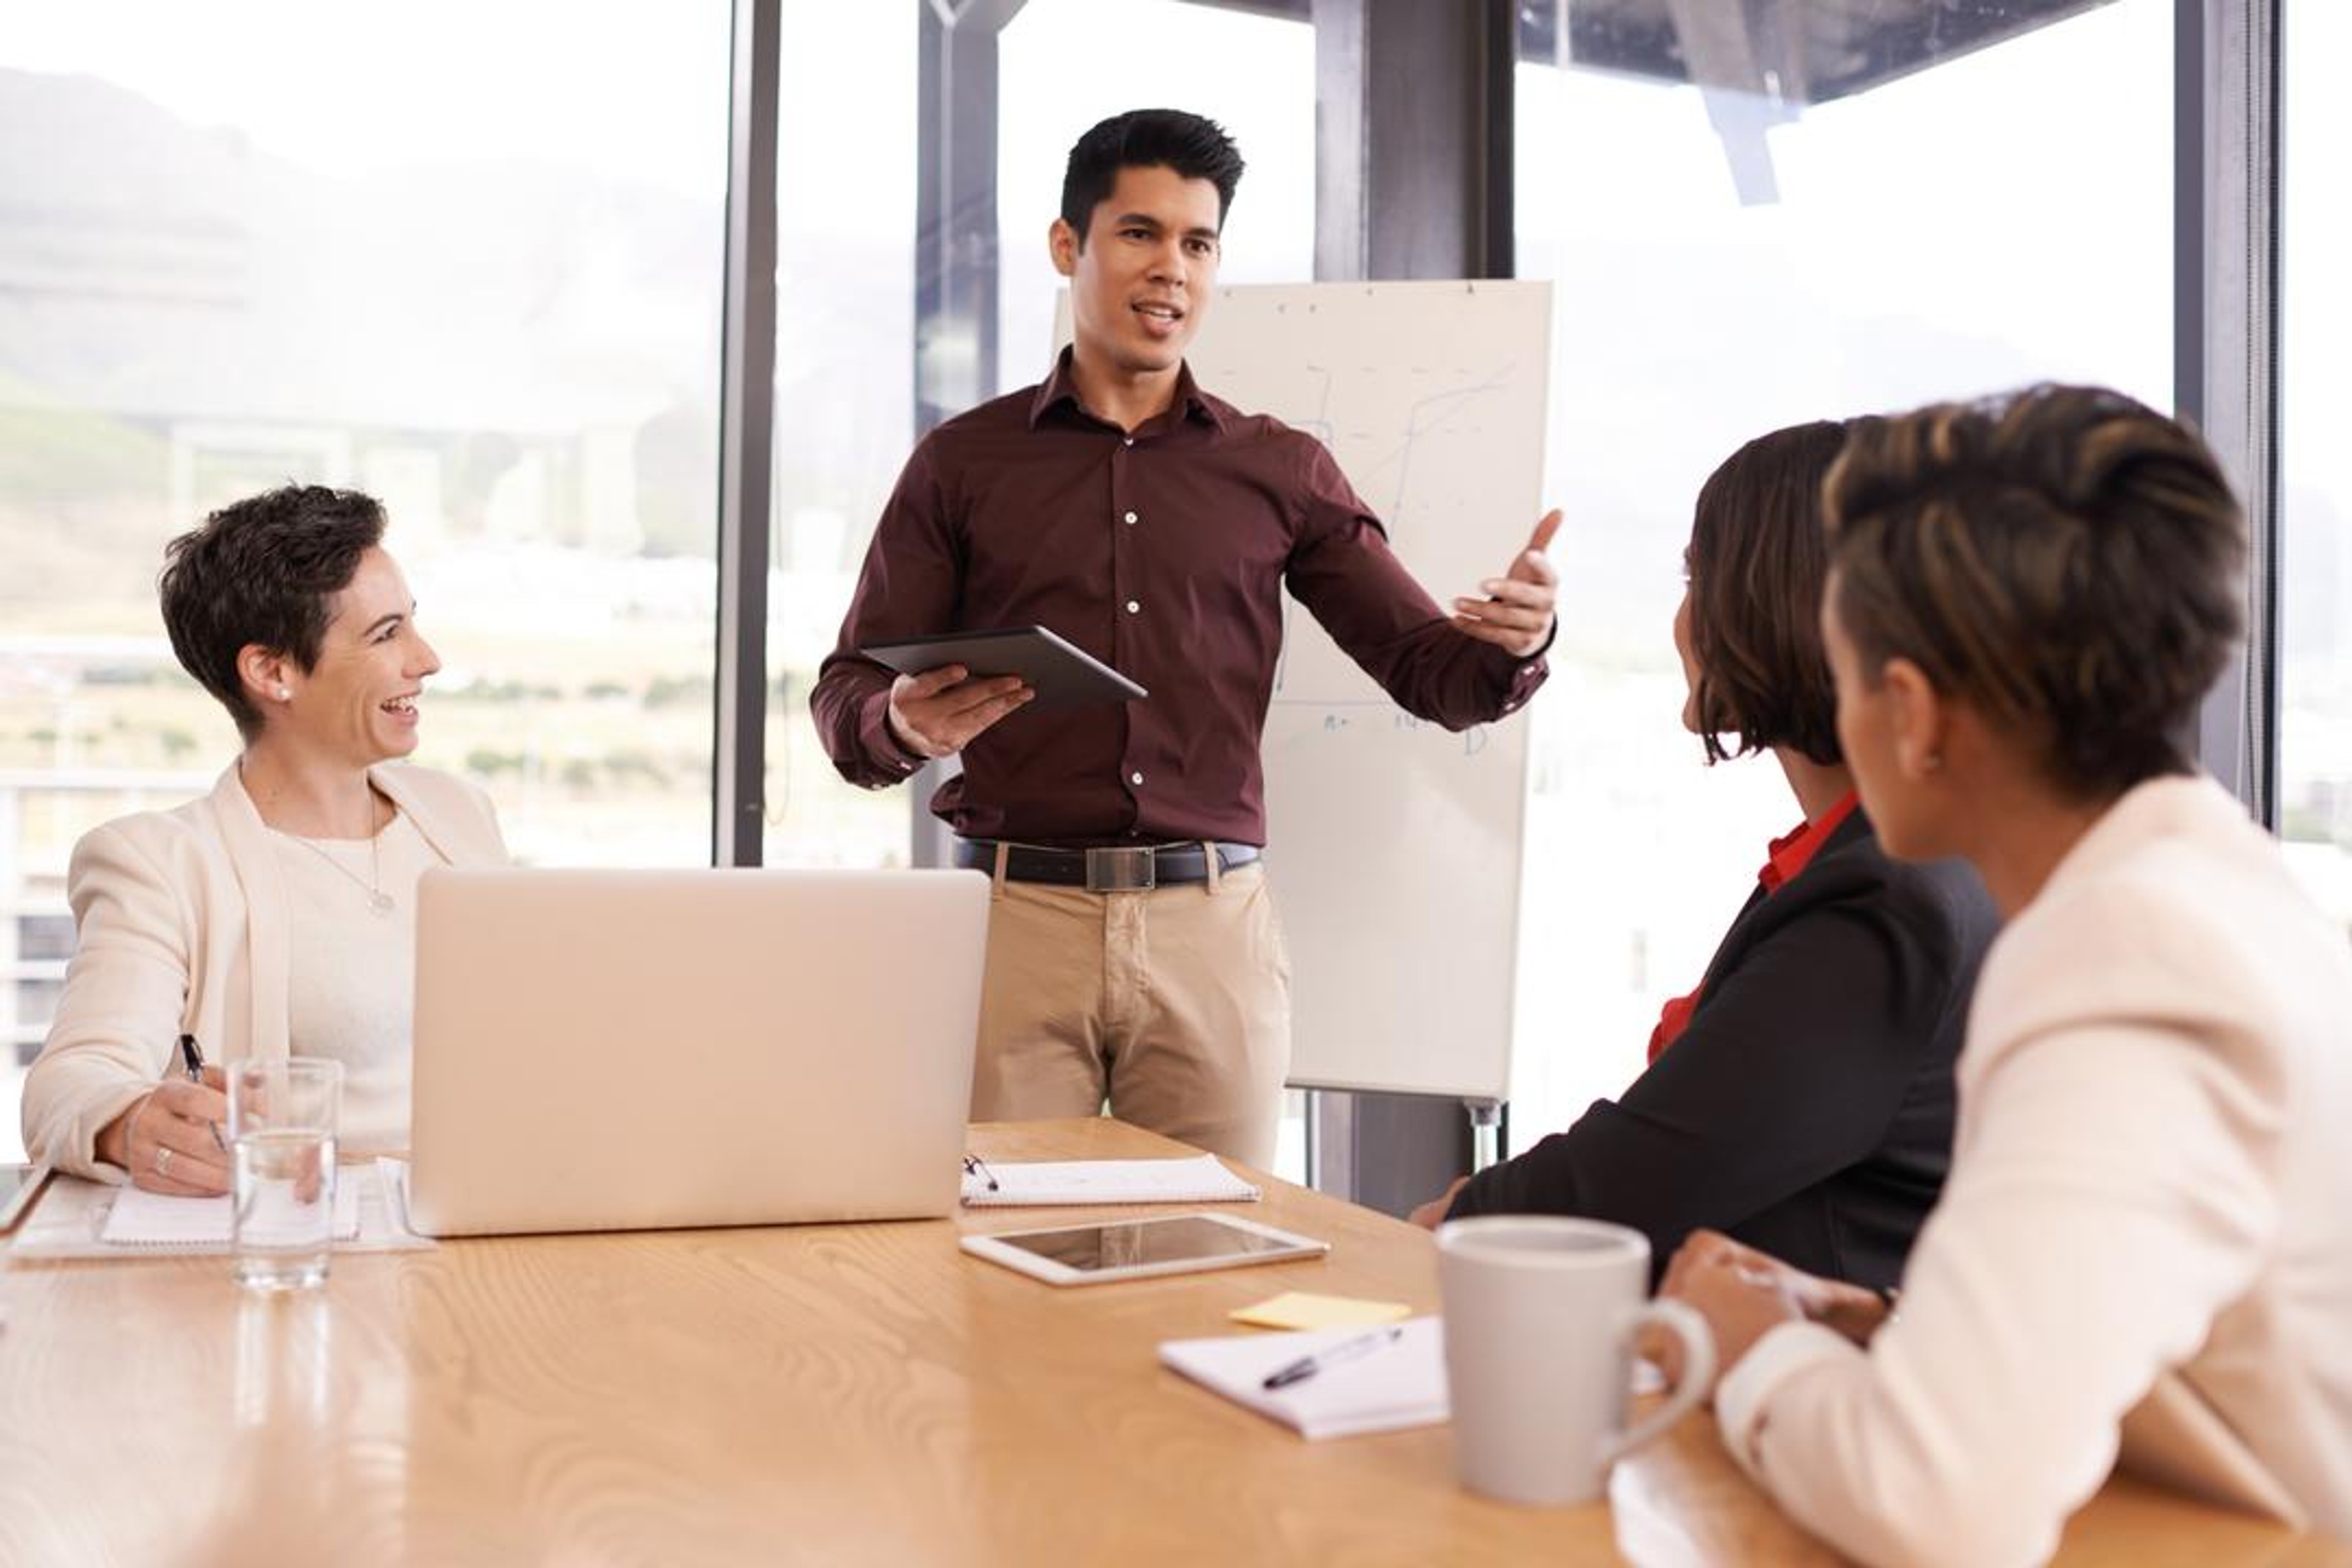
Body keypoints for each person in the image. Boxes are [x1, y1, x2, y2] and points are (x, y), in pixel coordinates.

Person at [1662, 385, 2352, 1562]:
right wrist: (1880, 1324)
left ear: (1914, 713)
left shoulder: (2125, 966)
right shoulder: (2223, 888)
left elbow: (1930, 1502)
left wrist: (1748, 1349)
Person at [810, 108, 1556, 1167]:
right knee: (993, 1276)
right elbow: (845, 697)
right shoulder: (962, 465)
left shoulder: (1280, 468)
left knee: (1215, 1266)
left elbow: (1436, 675)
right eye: (1141, 234)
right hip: (1013, 924)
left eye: (1198, 243)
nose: (1172, 269)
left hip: (1212, 930)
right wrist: (896, 717)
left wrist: (1519, 641)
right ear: (1069, 245)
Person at [1411, 421, 1997, 1295]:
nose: (1685, 619)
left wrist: (1467, 1215)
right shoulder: (1897, 855)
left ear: (1767, 601)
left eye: (1698, 579)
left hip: (1793, 1388)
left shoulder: (1888, 899)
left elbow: (1652, 1169)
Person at [21, 485, 507, 1191]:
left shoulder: (459, 814)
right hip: (313, 1238)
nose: (425, 659)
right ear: (272, 672)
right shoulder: (160, 863)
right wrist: (131, 1125)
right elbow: (68, 1083)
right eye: (386, 634)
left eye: (412, 624)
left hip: (491, 1217)